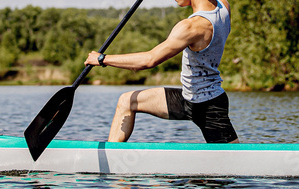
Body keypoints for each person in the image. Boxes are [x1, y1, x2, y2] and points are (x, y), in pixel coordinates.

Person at [84, 0, 239, 143]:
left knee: (233, 162)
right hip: (187, 98)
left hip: (209, 107)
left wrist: (102, 59)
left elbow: (149, 60)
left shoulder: (192, 27)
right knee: (127, 101)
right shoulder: (223, 6)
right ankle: (112, 158)